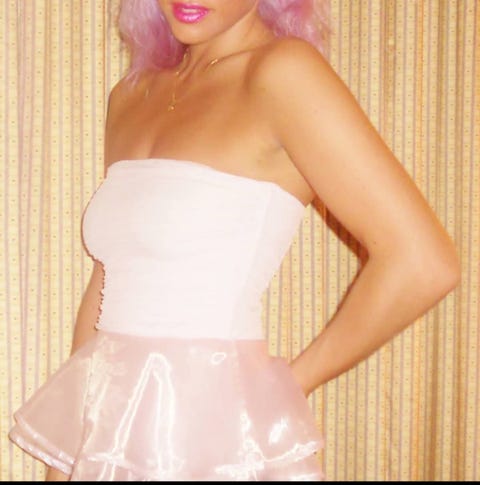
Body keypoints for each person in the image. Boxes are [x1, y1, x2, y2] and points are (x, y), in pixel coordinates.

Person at [9, 0, 461, 481]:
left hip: (219, 438)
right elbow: (108, 281)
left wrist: (290, 385)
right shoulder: (131, 94)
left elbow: (424, 263)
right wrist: (68, 456)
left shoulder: (282, 73)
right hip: (112, 435)